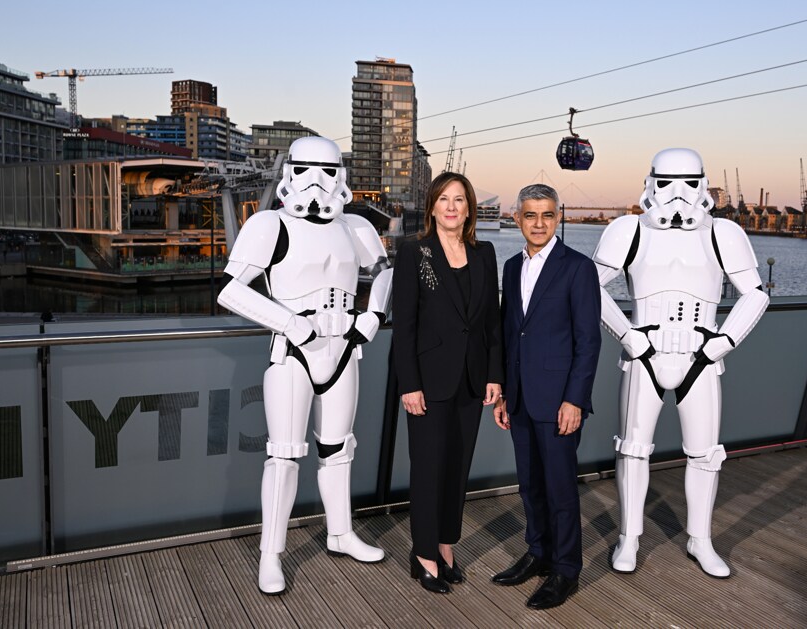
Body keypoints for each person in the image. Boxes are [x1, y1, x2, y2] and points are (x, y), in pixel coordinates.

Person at [218, 136, 392, 594]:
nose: (317, 180)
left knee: (339, 449)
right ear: (289, 171)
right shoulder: (268, 224)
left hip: (343, 349)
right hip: (293, 351)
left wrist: (373, 314)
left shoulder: (356, 225)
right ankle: (270, 555)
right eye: (306, 169)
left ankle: (341, 532)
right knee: (284, 454)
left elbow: (385, 272)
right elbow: (231, 291)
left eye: (328, 170)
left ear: (342, 174)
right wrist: (290, 324)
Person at [592, 148, 769, 578]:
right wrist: (629, 335)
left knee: (706, 454)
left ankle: (701, 539)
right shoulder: (628, 229)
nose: (677, 194)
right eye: (668, 181)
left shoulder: (723, 233)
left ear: (703, 184)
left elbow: (756, 293)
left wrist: (723, 342)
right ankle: (628, 538)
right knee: (632, 450)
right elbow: (588, 286)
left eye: (689, 182)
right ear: (651, 181)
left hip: (702, 358)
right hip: (644, 356)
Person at [392, 171, 504, 594]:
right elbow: (405, 327)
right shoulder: (414, 253)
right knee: (428, 468)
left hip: (472, 380)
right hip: (428, 382)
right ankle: (422, 552)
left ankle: (445, 544)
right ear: (432, 207)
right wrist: (410, 384)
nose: (452, 207)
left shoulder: (485, 252)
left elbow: (492, 322)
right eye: (444, 199)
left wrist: (495, 375)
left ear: (469, 207)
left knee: (457, 467)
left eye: (460, 199)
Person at [492, 184, 601, 610]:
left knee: (559, 490)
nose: (539, 223)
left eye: (547, 215)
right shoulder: (510, 268)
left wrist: (575, 399)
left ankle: (566, 570)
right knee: (529, 486)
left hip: (559, 401)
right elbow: (508, 334)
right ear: (517, 218)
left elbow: (588, 341)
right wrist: (502, 392)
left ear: (559, 218)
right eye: (530, 215)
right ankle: (538, 554)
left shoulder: (578, 268)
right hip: (519, 397)